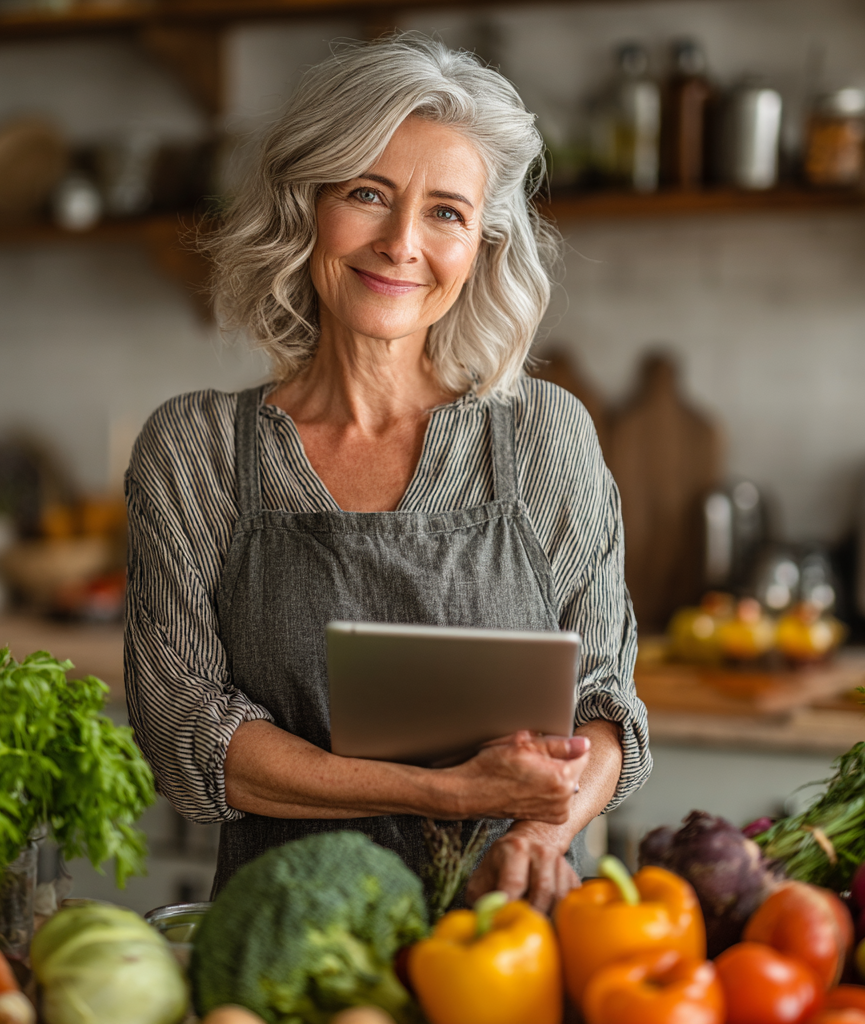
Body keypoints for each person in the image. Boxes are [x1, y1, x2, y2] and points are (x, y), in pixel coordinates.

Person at [124, 34, 650, 912]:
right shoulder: (197, 452)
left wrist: (537, 833)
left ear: (480, 243)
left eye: (446, 211)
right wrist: (446, 795)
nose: (402, 242)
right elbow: (187, 738)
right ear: (308, 205)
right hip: (286, 945)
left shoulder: (547, 437)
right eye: (369, 194)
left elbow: (607, 711)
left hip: (509, 940)